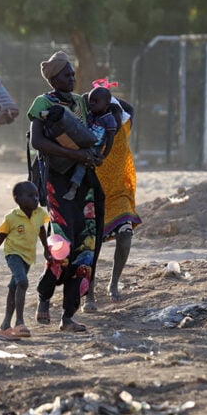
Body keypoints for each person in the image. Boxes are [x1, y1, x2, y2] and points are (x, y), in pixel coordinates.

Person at [28, 51, 105, 331]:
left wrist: (93, 156)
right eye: (66, 75)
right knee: (62, 246)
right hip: (57, 181)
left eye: (73, 74)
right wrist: (76, 156)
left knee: (85, 247)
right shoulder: (42, 103)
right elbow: (38, 142)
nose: (72, 78)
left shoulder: (81, 103)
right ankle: (44, 297)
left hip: (84, 183)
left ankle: (69, 316)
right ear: (53, 78)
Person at [84, 80, 142, 303]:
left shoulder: (125, 122)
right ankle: (88, 291)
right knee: (91, 244)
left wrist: (108, 95)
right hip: (93, 190)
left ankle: (114, 282)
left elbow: (129, 108)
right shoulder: (90, 126)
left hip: (120, 191)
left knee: (125, 234)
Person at [0, 181, 50, 339]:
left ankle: (4, 326)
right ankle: (19, 322)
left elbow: (41, 230)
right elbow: (2, 234)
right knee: (22, 282)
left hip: (28, 256)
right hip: (13, 253)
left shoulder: (39, 214)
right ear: (18, 199)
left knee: (14, 287)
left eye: (36, 195)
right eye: (30, 196)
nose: (36, 199)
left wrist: (46, 248)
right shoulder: (12, 217)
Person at [61, 86, 118, 201]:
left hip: (94, 148)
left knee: (82, 162)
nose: (92, 104)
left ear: (106, 103)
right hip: (82, 142)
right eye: (90, 101)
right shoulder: (90, 114)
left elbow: (110, 139)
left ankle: (74, 187)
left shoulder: (109, 119)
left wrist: (103, 155)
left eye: (96, 101)